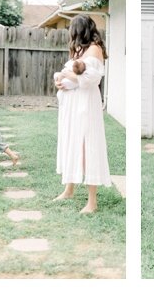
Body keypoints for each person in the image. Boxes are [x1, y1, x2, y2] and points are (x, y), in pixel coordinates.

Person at [52, 15, 110, 213]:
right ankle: (69, 189)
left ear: (80, 29)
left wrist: (68, 76)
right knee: (72, 142)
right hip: (72, 103)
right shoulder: (80, 49)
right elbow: (71, 73)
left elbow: (92, 78)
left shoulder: (94, 49)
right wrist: (60, 80)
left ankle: (92, 202)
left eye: (73, 30)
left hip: (86, 103)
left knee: (87, 145)